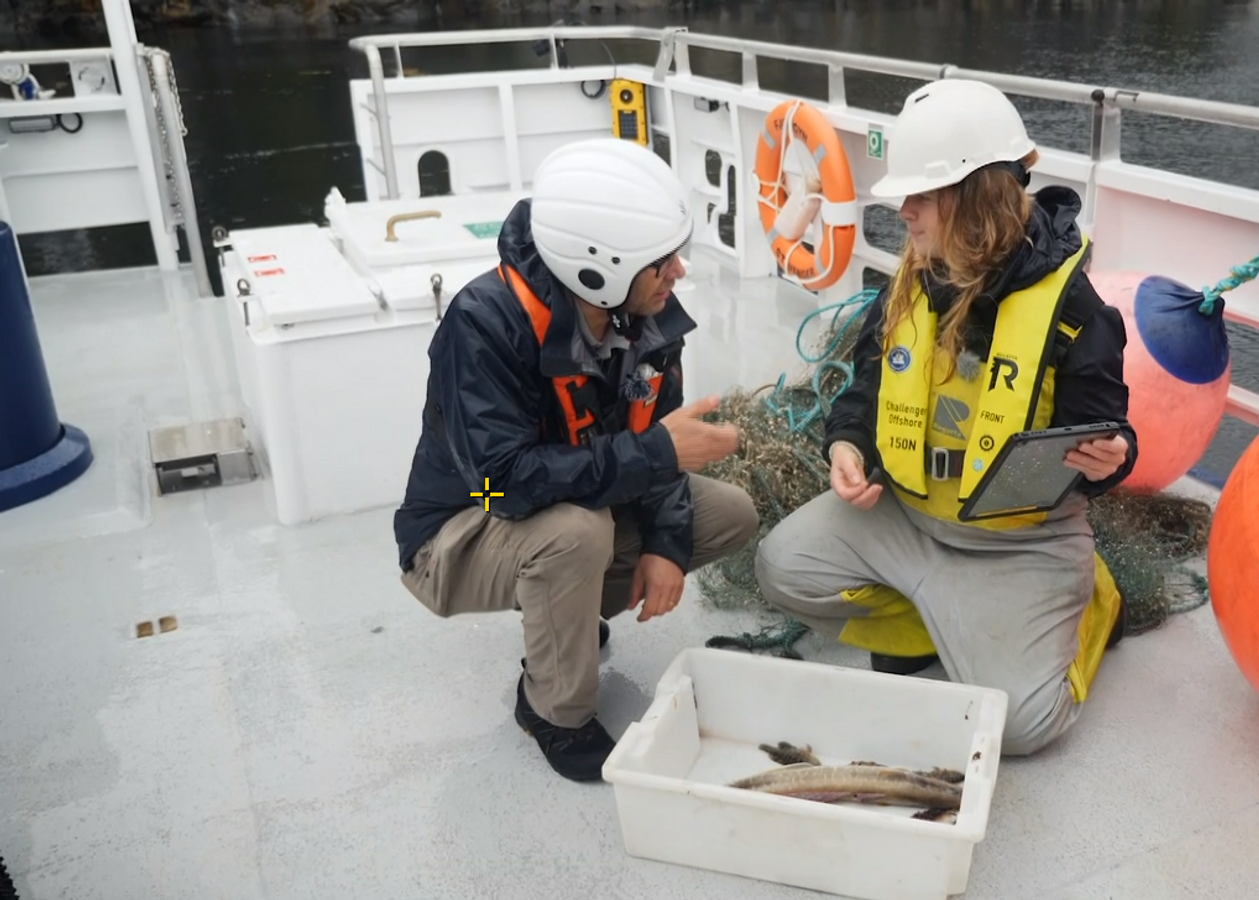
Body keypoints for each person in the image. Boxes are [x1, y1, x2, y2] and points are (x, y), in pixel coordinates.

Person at [754, 79, 1138, 758]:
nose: (904, 211)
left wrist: (1117, 457)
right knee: (780, 567)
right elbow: (865, 390)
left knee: (1023, 729)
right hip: (904, 519)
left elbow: (1104, 433)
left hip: (1016, 545)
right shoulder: (910, 280)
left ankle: (1091, 605)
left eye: (922, 195)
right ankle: (932, 619)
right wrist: (846, 444)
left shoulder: (1076, 312)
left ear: (977, 196)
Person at [393, 137, 757, 783]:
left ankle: (563, 613)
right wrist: (657, 452)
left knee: (727, 512)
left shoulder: (641, 312)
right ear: (600, 267)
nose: (677, 273)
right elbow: (502, 483)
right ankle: (552, 711)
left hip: (558, 506)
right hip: (456, 529)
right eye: (661, 262)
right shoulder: (482, 323)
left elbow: (654, 435)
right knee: (575, 534)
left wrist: (667, 544)